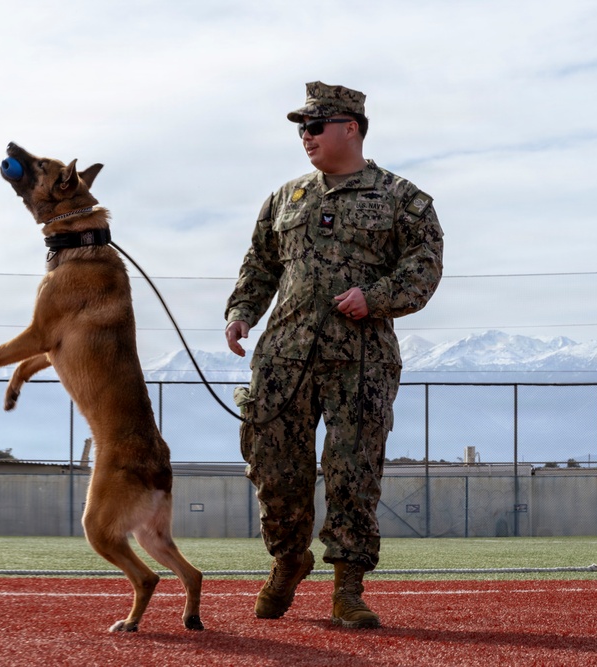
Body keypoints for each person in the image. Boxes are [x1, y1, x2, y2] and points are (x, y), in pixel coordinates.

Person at [224, 81, 444, 628]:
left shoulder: (401, 197)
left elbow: (424, 266)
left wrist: (376, 297)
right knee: (273, 467)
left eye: (316, 125)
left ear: (351, 127)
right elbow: (260, 263)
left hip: (360, 359)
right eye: (302, 128)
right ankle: (288, 559)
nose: (306, 136)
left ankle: (348, 587)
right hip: (284, 356)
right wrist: (242, 311)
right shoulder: (286, 198)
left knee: (352, 472)